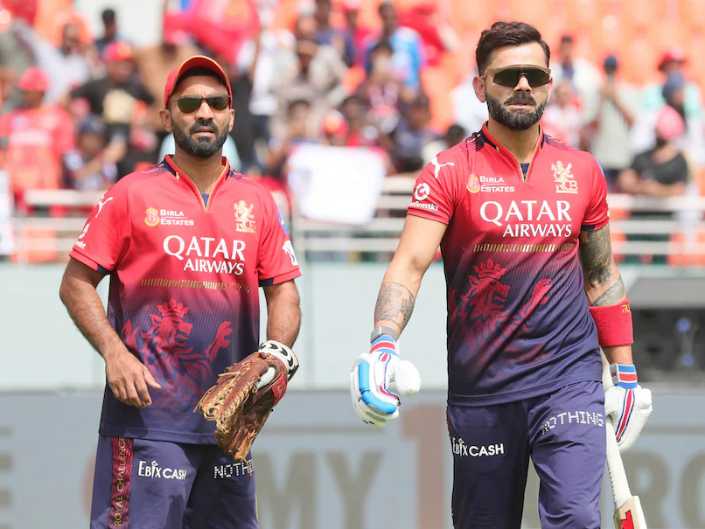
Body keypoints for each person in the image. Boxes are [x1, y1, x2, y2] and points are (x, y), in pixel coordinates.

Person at [350, 22, 653, 529]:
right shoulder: (448, 171)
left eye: (535, 75)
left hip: (569, 381)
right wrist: (383, 343)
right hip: (483, 390)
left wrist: (624, 373)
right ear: (479, 86)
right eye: (508, 76)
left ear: (550, 84)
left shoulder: (583, 170)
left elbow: (601, 276)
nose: (523, 86)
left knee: (577, 517)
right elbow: (410, 263)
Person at [59, 55, 302, 529]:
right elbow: (75, 283)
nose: (204, 112)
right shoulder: (131, 194)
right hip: (147, 421)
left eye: (216, 102)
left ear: (232, 115)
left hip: (228, 428)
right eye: (189, 104)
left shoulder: (257, 201)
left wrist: (276, 353)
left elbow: (283, 291)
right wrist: (114, 352)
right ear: (166, 118)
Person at [588, 54, 636, 191]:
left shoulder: (628, 90)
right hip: (601, 155)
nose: (610, 72)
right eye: (608, 69)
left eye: (612, 69)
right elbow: (592, 124)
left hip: (623, 156)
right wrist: (601, 100)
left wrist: (615, 99)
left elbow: (632, 121)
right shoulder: (595, 91)